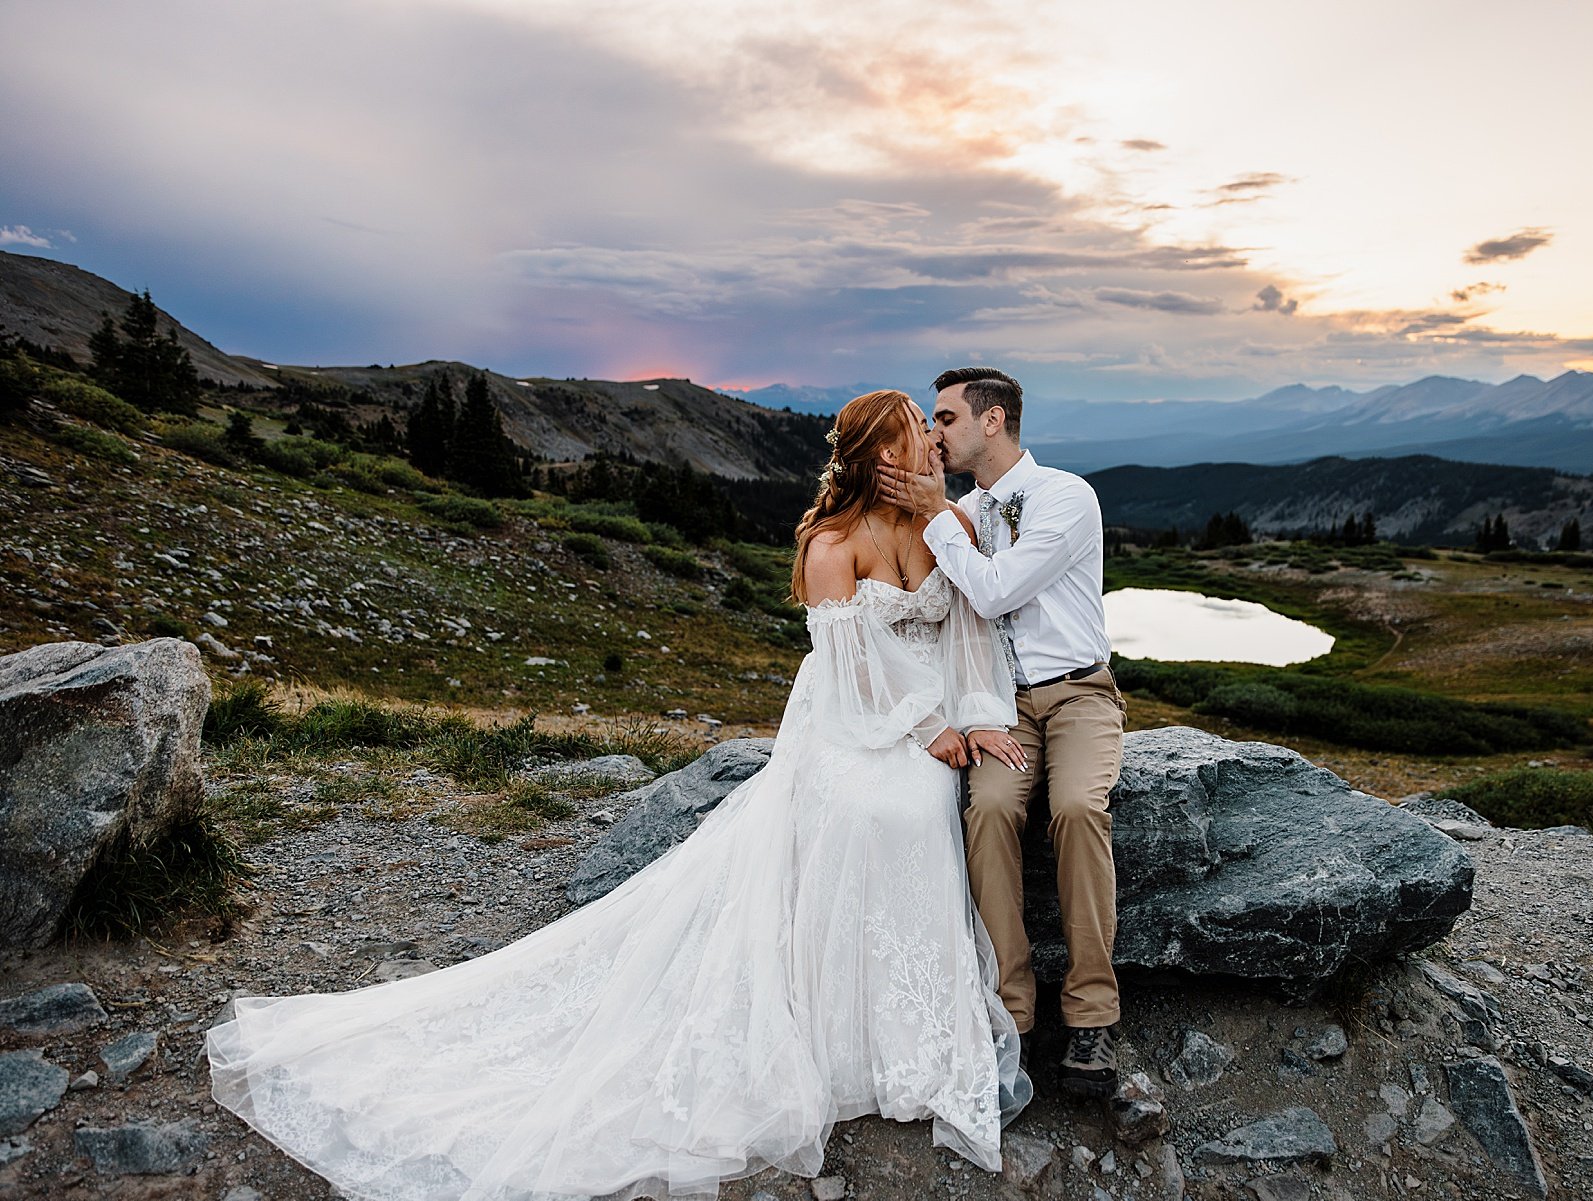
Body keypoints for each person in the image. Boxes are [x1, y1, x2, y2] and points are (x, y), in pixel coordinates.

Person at [206, 390, 1033, 1201]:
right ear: (878, 457)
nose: (931, 440)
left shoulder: (944, 520)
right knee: (870, 808)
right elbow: (851, 674)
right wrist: (923, 724)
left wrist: (976, 715)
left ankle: (907, 1037)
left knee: (921, 806)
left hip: (936, 712)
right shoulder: (831, 544)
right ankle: (842, 1029)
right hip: (856, 718)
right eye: (913, 431)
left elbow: (968, 629)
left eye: (932, 429)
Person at [878, 367, 1124, 1098]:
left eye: (945, 419)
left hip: (1079, 692)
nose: (933, 434)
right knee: (986, 810)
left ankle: (1091, 1016)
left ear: (992, 421)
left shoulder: (1065, 497)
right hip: (997, 703)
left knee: (1079, 808)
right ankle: (1009, 1009)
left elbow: (994, 589)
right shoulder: (959, 506)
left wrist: (934, 515)